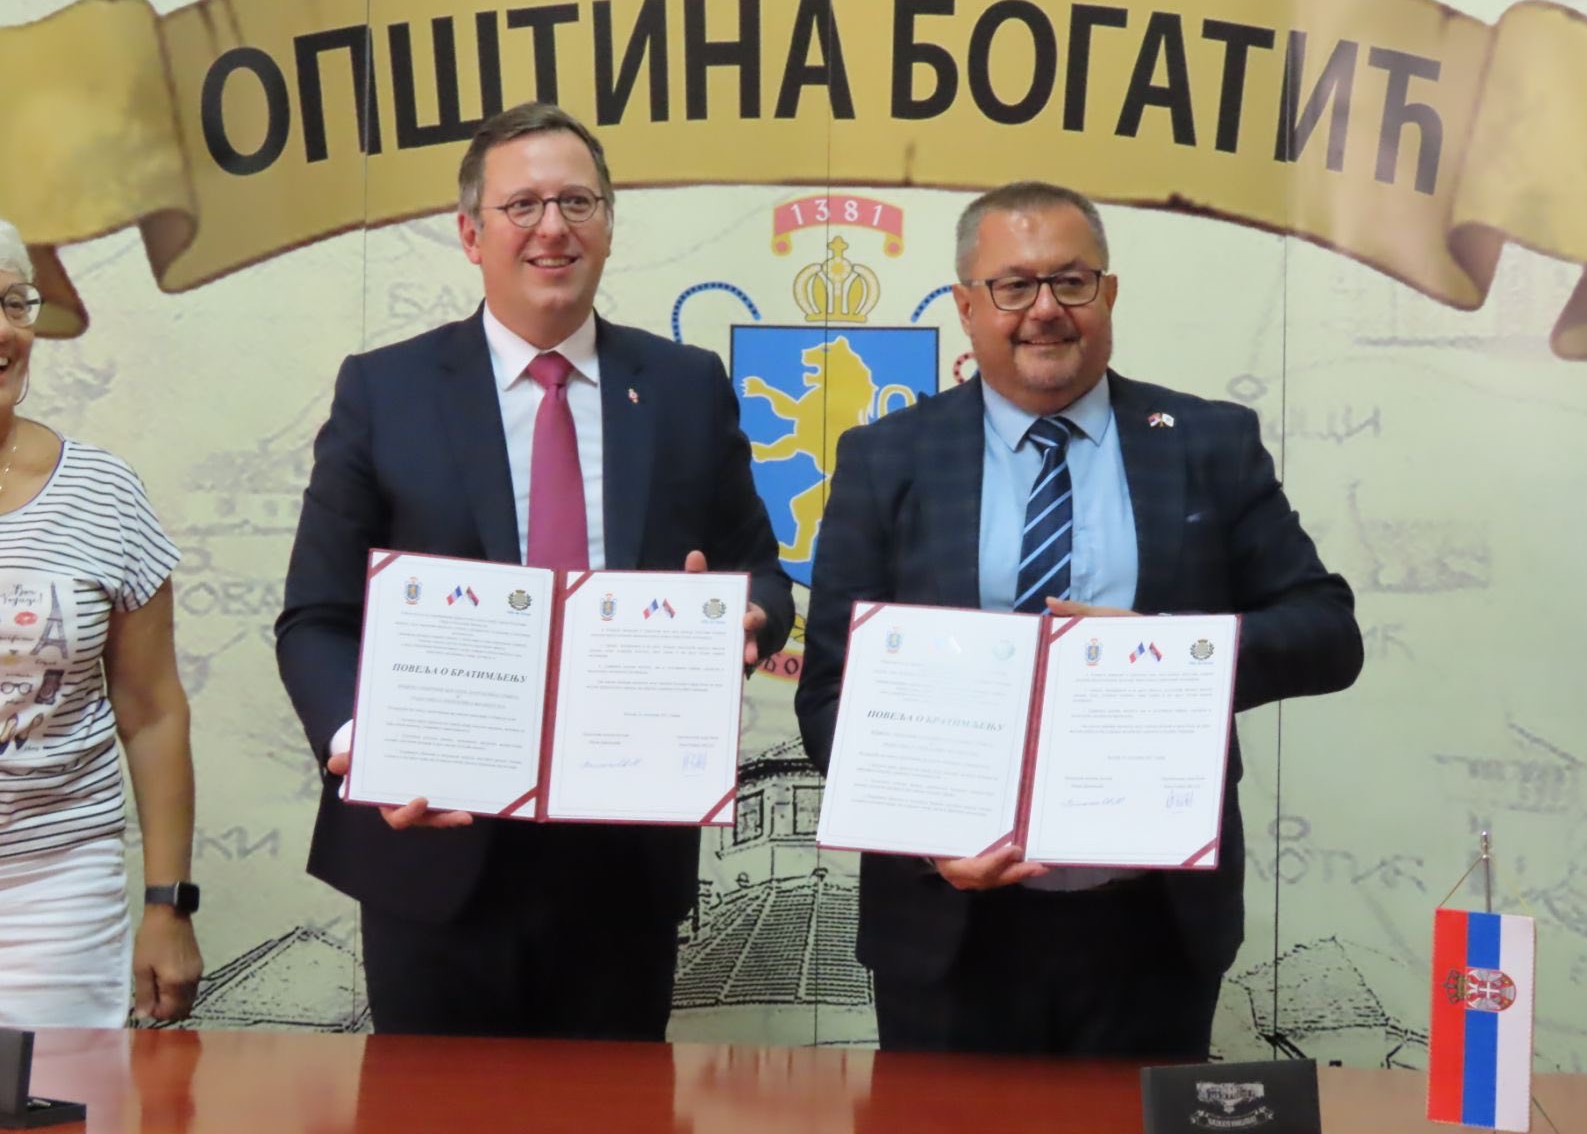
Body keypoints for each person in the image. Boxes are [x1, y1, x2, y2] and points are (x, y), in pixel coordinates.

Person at [795, 182, 1363, 1057]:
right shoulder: (887, 459)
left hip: (1152, 926)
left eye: (1072, 281)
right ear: (967, 307)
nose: (1045, 310)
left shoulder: (1208, 443)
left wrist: (1167, 658)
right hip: (947, 926)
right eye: (1014, 286)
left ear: (1110, 294)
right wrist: (925, 840)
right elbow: (831, 696)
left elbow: (1328, 633)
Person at [276, 101, 794, 1040]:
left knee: (613, 1106)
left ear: (608, 226)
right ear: (471, 234)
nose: (552, 228)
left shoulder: (684, 388)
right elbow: (316, 615)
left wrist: (748, 618)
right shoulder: (385, 391)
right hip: (430, 843)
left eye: (577, 202)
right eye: (522, 206)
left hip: (622, 857)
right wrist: (363, 745)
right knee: (430, 1109)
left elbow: (760, 572)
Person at [0, 217, 202, 1027]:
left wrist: (169, 904)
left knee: (55, 1094)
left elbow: (152, 712)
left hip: (55, 890)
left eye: (14, 303)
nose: (3, 331)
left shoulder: (102, 493)